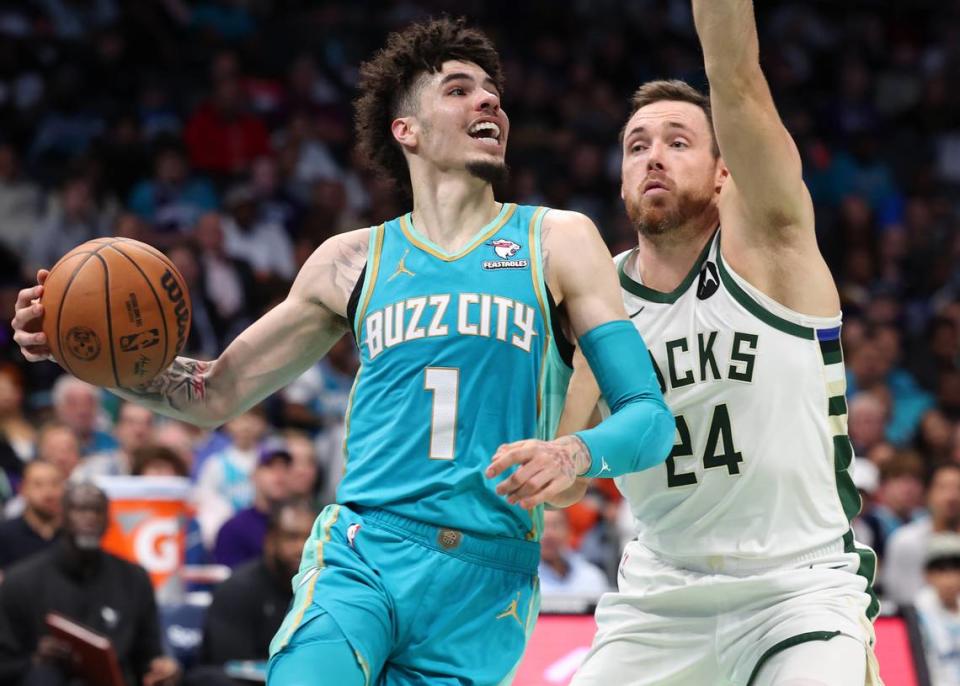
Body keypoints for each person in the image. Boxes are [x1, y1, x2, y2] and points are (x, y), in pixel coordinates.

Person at [12, 17, 675, 686]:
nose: (489, 101)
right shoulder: (351, 259)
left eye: (492, 91)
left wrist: (571, 451)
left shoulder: (557, 240)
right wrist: (82, 353)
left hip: (488, 584)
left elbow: (649, 420)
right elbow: (209, 394)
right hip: (367, 551)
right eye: (458, 89)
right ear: (405, 129)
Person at [562, 2, 881, 684]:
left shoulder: (772, 246)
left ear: (724, 171)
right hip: (656, 602)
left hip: (796, 591)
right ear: (619, 178)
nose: (653, 156)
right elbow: (564, 484)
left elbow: (734, 76)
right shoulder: (596, 297)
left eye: (679, 141)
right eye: (637, 145)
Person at [0, 482, 179, 686]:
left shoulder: (134, 578)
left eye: (97, 511)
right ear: (63, 516)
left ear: (108, 520)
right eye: (80, 510)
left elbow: (149, 654)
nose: (90, 518)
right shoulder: (20, 581)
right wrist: (34, 660)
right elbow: (5, 663)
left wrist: (161, 669)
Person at [185, 499, 317, 686]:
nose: (300, 548)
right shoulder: (238, 589)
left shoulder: (320, 591)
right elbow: (233, 666)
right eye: (291, 537)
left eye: (308, 538)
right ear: (270, 541)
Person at [884, 463, 960, 605]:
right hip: (916, 622)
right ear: (928, 494)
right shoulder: (905, 541)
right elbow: (899, 599)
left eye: (958, 488)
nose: (952, 496)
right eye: (943, 488)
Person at [213, 444, 292, 568]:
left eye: (285, 467)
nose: (279, 474)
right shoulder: (233, 529)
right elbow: (229, 583)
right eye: (270, 466)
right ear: (254, 475)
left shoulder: (304, 526)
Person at [0, 460, 64, 575]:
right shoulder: (4, 535)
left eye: (55, 484)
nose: (49, 493)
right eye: (38, 485)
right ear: (22, 489)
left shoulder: (74, 535)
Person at [915, 533, 960, 686]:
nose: (949, 579)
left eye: (955, 569)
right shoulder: (916, 612)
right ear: (927, 574)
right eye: (941, 570)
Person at [538, 508, 610, 597]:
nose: (549, 534)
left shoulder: (592, 576)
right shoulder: (521, 581)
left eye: (556, 525)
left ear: (569, 531)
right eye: (541, 526)